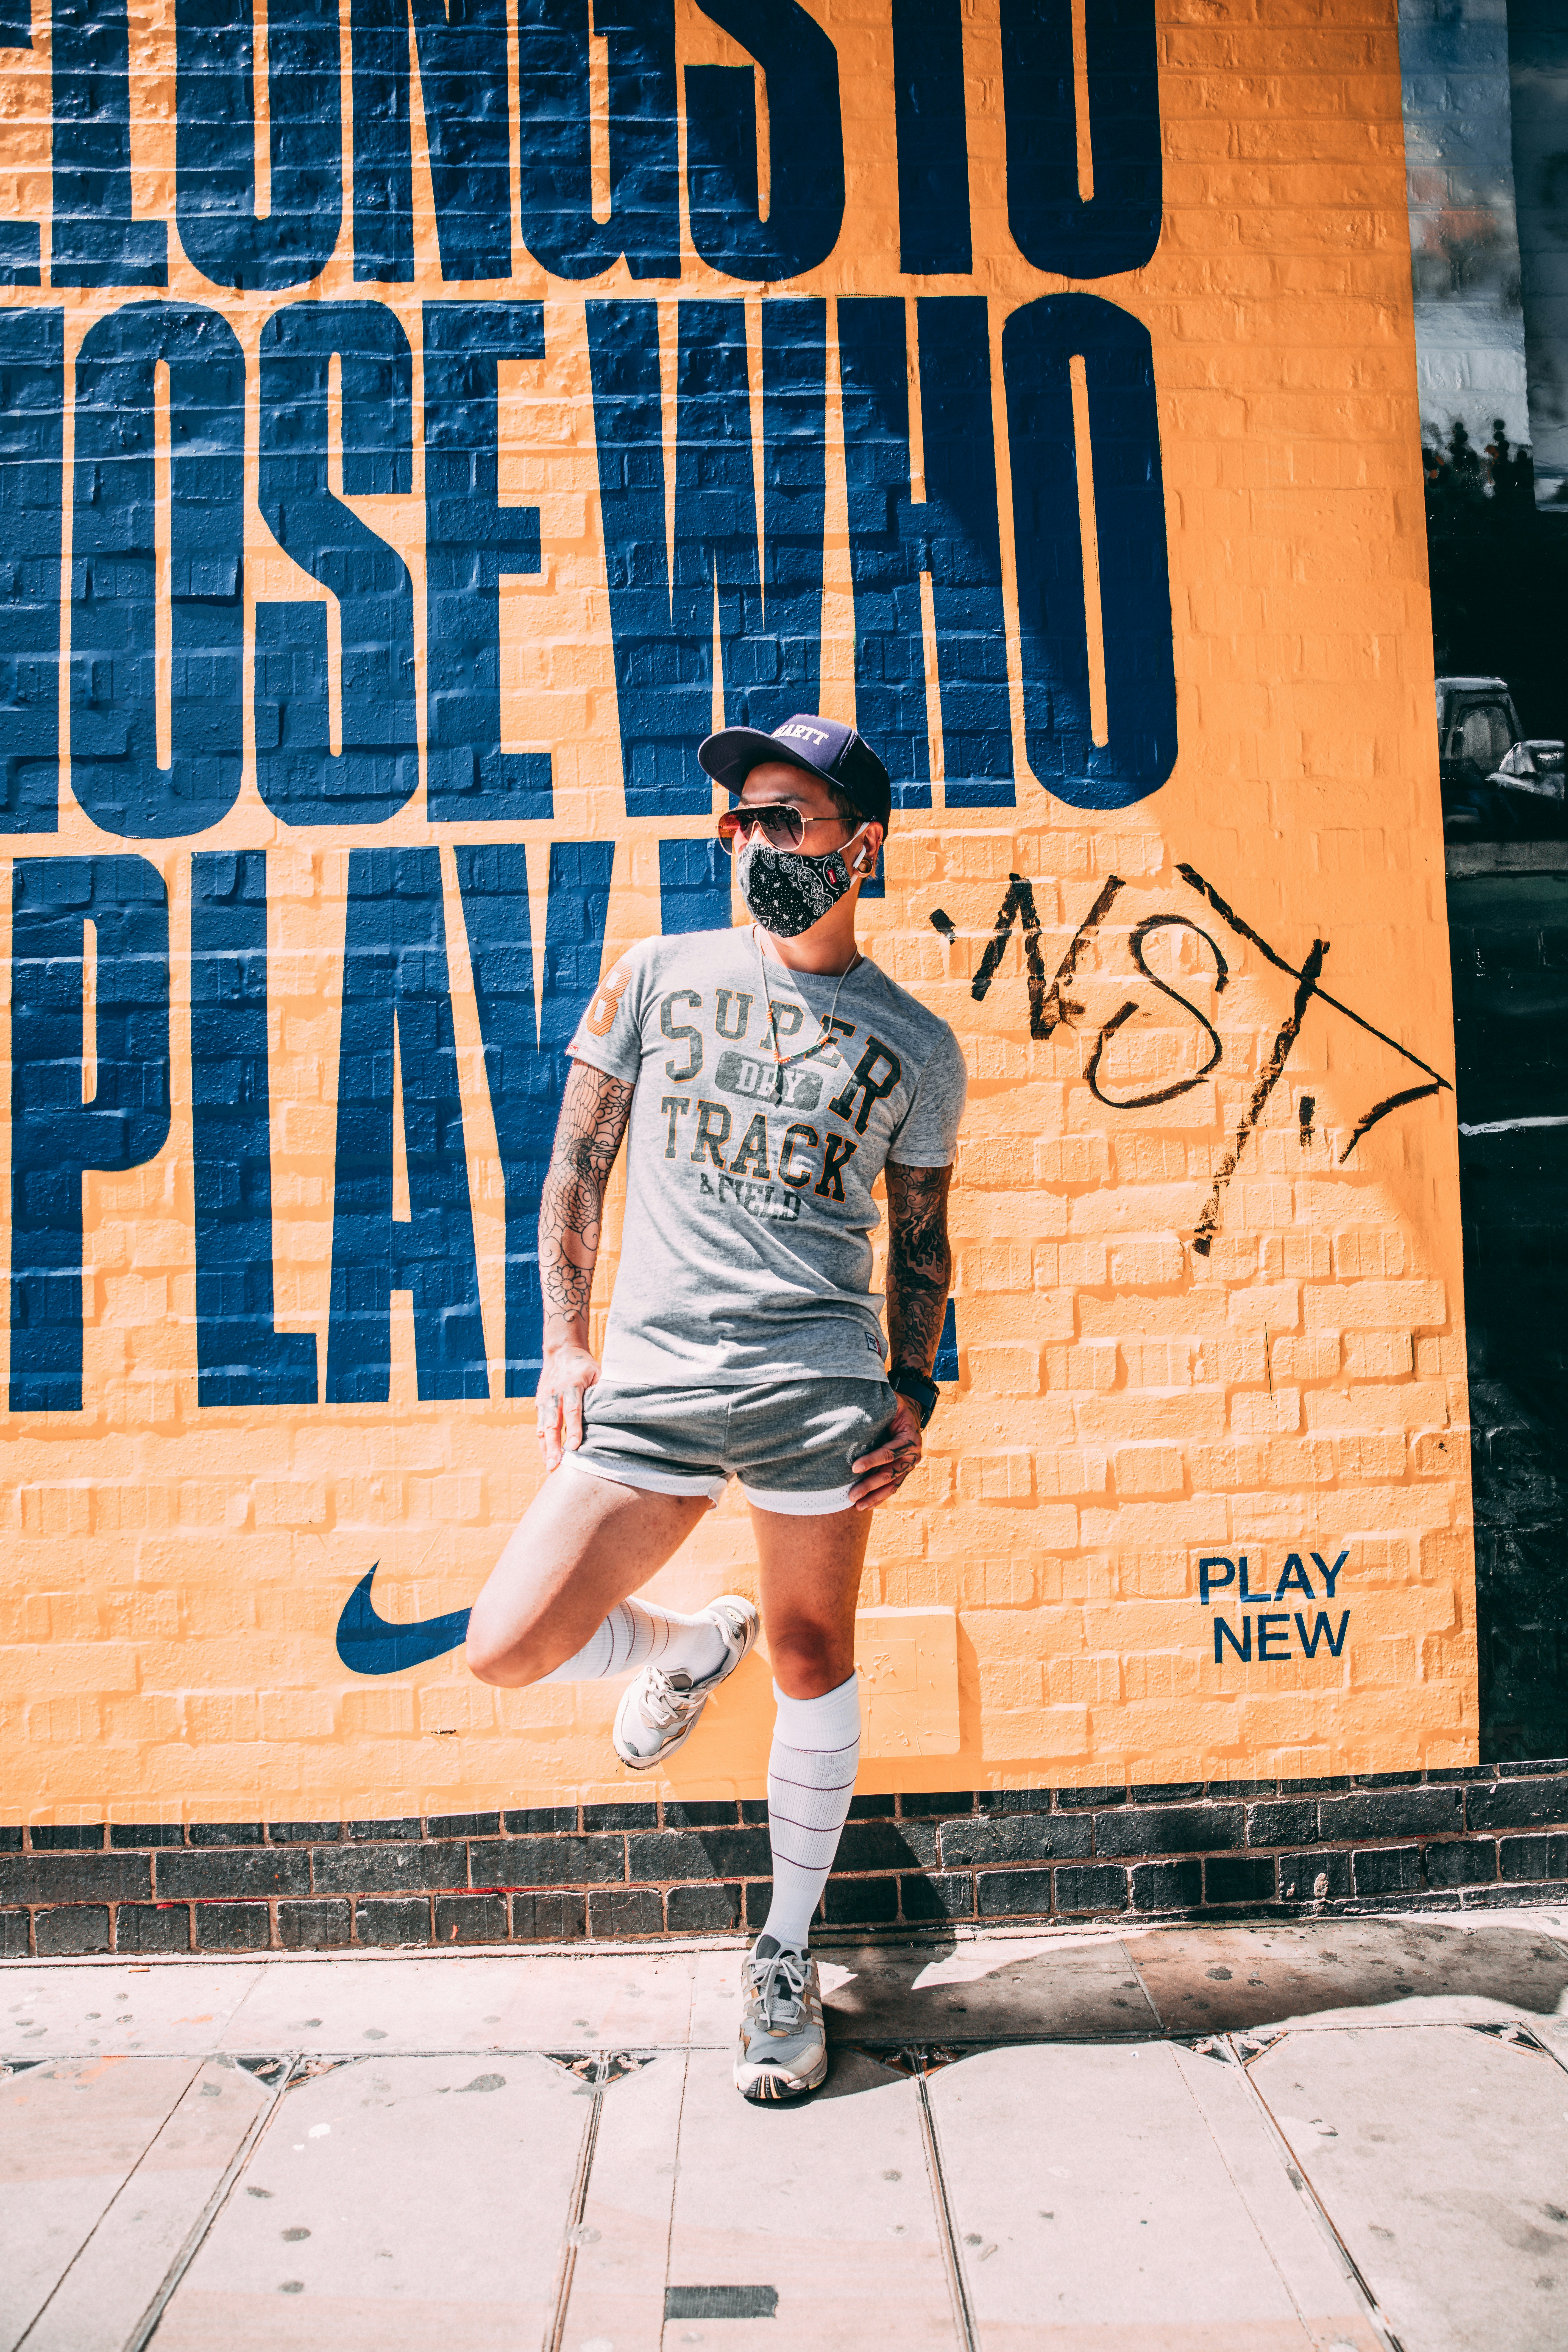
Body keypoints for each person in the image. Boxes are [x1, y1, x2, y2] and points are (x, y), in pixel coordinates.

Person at [466, 714, 966, 2102]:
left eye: (788, 818)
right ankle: (685, 1647)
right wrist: (567, 1347)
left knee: (814, 1656)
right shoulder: (658, 973)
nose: (754, 842)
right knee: (506, 1642)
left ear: (864, 845)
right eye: (741, 818)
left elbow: (922, 1243)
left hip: (819, 1387)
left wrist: (915, 1389)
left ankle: (785, 1953)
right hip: (658, 1382)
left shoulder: (915, 1044)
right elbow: (575, 1170)